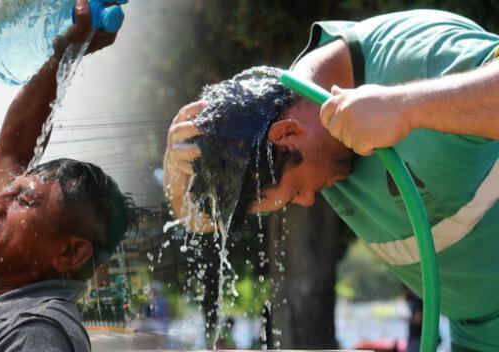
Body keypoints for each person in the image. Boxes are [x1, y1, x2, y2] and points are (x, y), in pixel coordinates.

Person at [164, 9, 499, 352]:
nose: (309, 201)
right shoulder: (287, 140)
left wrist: (405, 107)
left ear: (289, 132)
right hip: (477, 335)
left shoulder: (409, 52)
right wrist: (177, 168)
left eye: (295, 191)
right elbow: (203, 222)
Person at [0, 1, 136, 351]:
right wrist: (66, 53)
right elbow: (12, 152)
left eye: (24, 200)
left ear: (68, 254)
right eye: (12, 192)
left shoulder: (34, 334)